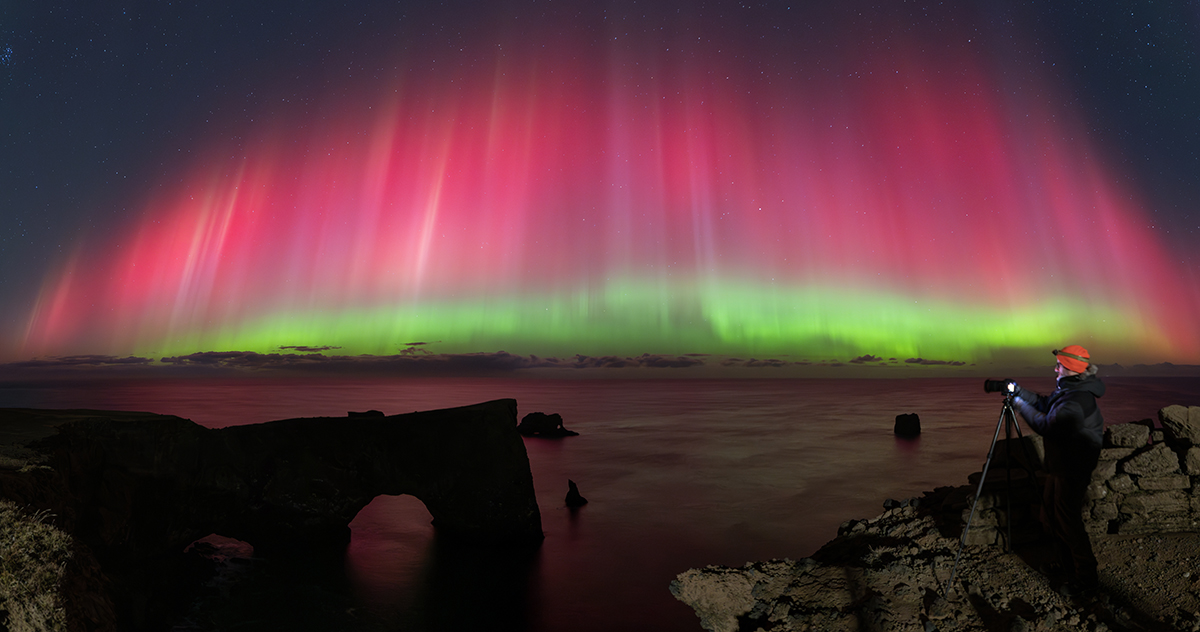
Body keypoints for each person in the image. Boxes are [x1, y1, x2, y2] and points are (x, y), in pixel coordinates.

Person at [1012, 344, 1104, 592]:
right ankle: (1066, 566)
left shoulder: (1077, 400)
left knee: (1068, 522)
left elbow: (1048, 426)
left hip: (1072, 468)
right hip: (1061, 465)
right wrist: (1020, 392)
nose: (1055, 368)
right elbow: (1045, 404)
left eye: (1060, 365)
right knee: (1051, 517)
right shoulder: (1070, 390)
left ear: (1071, 369)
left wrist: (1019, 405)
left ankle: (1086, 580)